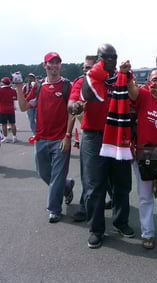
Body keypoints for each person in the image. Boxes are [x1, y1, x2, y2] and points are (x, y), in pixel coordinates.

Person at [70, 44, 134, 249]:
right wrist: (76, 106)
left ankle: (121, 222)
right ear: (99, 58)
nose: (111, 60)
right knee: (94, 185)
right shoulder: (84, 81)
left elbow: (135, 98)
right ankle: (96, 229)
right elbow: (72, 103)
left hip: (118, 136)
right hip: (94, 137)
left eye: (114, 57)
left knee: (122, 183)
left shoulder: (123, 78)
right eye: (106, 57)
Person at [120, 63, 157, 249]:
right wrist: (126, 72)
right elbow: (131, 88)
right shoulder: (144, 97)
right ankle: (148, 233)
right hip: (146, 153)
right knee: (145, 197)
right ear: (148, 83)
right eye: (154, 79)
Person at [14, 52, 75, 223]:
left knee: (56, 175)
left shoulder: (66, 86)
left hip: (60, 139)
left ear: (60, 65)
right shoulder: (39, 86)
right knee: (43, 173)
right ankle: (67, 185)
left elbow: (72, 112)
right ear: (45, 65)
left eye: (57, 63)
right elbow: (25, 106)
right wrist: (19, 87)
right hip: (41, 138)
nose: (54, 66)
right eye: (51, 63)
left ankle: (54, 209)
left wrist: (68, 136)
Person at [68, 55, 98, 222]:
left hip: (110, 133)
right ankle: (85, 207)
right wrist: (76, 106)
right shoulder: (79, 83)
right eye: (84, 68)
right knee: (88, 175)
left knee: (110, 175)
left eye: (89, 67)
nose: (86, 70)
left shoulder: (107, 81)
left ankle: (115, 203)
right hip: (89, 133)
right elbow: (71, 106)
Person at [0, 77, 17, 143]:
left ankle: (6, 137)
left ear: (3, 82)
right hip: (11, 109)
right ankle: (14, 137)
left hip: (2, 109)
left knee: (4, 124)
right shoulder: (13, 90)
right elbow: (15, 98)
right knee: (13, 123)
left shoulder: (0, 90)